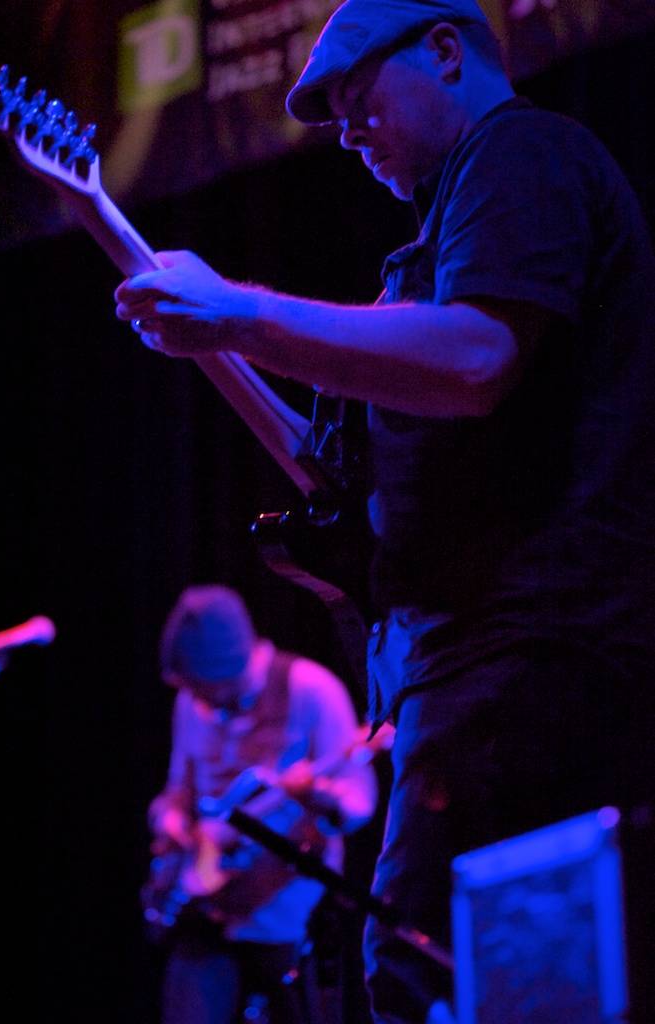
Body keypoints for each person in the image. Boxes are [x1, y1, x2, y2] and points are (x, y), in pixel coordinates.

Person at [116, 1, 655, 1019]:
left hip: (531, 658)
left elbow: (476, 356)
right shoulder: (432, 244)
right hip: (474, 672)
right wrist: (219, 340)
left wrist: (242, 312)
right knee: (441, 972)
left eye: (359, 100)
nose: (347, 132)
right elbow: (333, 481)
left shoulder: (520, 152)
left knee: (453, 975)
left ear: (446, 51)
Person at [144, 584, 378, 1024]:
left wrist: (314, 794)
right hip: (205, 910)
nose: (199, 702)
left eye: (204, 689)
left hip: (285, 917)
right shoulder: (191, 702)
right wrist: (171, 818)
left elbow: (359, 803)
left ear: (226, 670)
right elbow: (180, 789)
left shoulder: (310, 689)